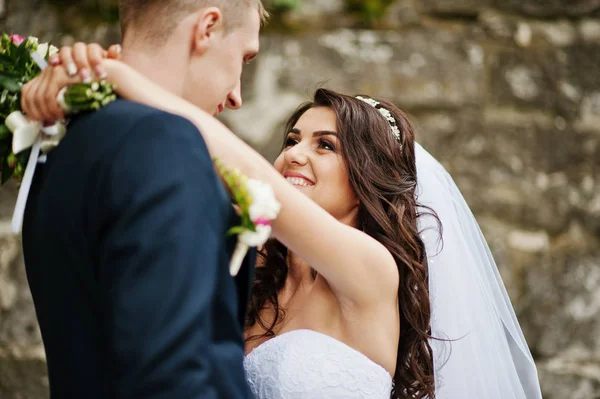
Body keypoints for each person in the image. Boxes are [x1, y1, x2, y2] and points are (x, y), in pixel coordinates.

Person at [22, 46, 543, 399]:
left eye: (325, 146)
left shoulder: (371, 271)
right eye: (291, 140)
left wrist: (121, 77)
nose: (295, 154)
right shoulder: (250, 261)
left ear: (367, 175)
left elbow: (239, 166)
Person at [18, 1, 268, 398]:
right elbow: (172, 375)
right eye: (244, 56)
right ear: (207, 27)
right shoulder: (165, 142)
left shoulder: (61, 145)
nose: (237, 95)